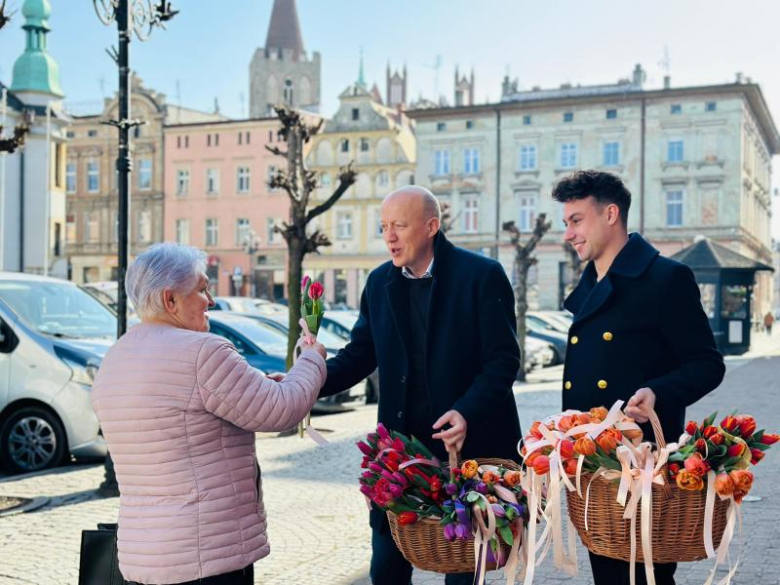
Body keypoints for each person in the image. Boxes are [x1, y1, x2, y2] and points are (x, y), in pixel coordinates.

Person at [320, 186, 522, 585]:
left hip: (468, 453)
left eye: (399, 225)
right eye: (383, 227)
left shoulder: (481, 276)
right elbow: (359, 354)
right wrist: (304, 381)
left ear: (431, 226)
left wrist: (467, 411)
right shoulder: (379, 283)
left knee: (465, 573)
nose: (389, 236)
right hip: (401, 458)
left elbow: (503, 360)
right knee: (387, 569)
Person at [91, 243, 327, 585]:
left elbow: (186, 413)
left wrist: (258, 385)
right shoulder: (202, 351)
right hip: (207, 558)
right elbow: (282, 411)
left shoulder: (114, 359)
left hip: (142, 558)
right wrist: (312, 358)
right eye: (202, 289)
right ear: (171, 300)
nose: (211, 300)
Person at [552, 170, 726, 585]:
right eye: (566, 223)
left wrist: (658, 391)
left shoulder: (666, 279)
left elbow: (707, 362)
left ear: (610, 214)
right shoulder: (593, 281)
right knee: (607, 574)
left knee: (644, 577)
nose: (568, 234)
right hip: (594, 463)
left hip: (642, 467)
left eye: (576, 220)